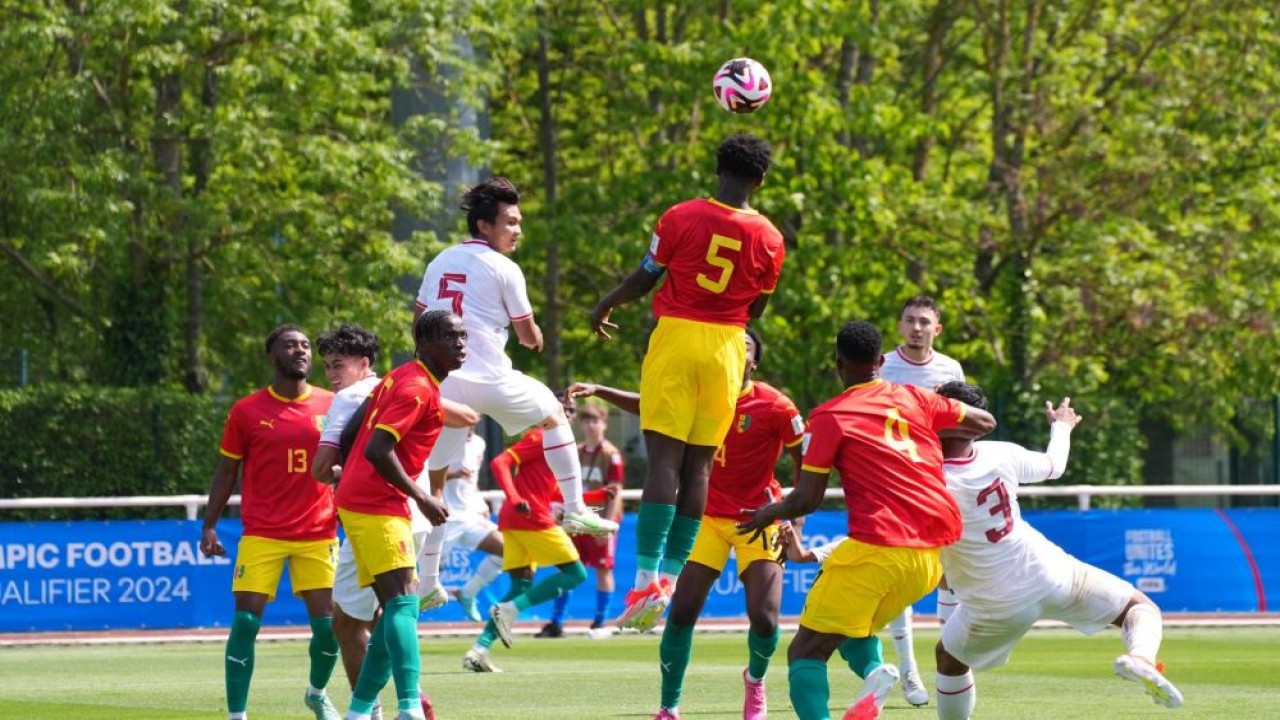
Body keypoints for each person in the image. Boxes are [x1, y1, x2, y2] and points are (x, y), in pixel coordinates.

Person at [738, 320, 996, 720]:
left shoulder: (830, 416)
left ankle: (872, 677)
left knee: (805, 651)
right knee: (849, 628)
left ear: (838, 364)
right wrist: (932, 435)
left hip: (879, 548)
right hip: (928, 560)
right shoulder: (916, 399)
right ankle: (876, 672)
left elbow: (807, 498)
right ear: (881, 360)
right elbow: (984, 421)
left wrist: (768, 512)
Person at [589, 133, 787, 630]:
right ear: (760, 180)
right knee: (698, 469)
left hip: (677, 338)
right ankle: (671, 581)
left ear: (717, 168)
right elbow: (758, 305)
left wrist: (607, 302)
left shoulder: (679, 216)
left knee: (663, 460)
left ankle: (645, 579)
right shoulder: (771, 238)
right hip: (727, 348)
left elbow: (646, 276)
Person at [571, 327, 804, 720]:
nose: (736, 351)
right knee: (681, 613)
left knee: (765, 619)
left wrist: (793, 520)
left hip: (758, 517)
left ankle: (755, 681)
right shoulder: (700, 392)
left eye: (744, 347)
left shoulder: (777, 406)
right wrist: (600, 389)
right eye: (731, 344)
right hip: (707, 518)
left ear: (754, 361)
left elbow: (807, 465)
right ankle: (669, 706)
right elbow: (651, 405)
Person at [931, 382, 1183, 719]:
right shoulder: (1000, 452)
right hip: (1049, 573)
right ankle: (1141, 658)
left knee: (949, 659)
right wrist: (1061, 425)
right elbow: (1054, 465)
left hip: (996, 603)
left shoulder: (925, 476)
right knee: (1139, 607)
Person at [414, 176, 617, 549]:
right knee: (554, 414)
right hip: (489, 378)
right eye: (510, 222)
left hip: (443, 384)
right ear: (483, 225)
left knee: (435, 481)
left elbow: (419, 321)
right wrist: (536, 337)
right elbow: (527, 337)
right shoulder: (503, 267)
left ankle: (427, 581)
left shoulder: (438, 261)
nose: (517, 230)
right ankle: (574, 508)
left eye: (519, 222)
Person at [312, 323, 476, 720]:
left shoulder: (400, 379)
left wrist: (345, 469)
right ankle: (409, 706)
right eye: (450, 337)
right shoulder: (415, 387)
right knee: (401, 605)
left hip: (368, 500)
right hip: (380, 501)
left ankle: (360, 710)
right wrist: (424, 496)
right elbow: (377, 448)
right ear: (424, 344)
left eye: (463, 337)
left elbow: (358, 436)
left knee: (382, 612)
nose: (460, 344)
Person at [199, 325, 340, 720]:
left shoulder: (335, 404)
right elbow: (227, 471)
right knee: (245, 622)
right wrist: (209, 525)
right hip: (262, 533)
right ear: (271, 355)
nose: (301, 350)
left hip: (319, 532)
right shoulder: (246, 411)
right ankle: (237, 716)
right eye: (291, 345)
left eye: (306, 345)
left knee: (329, 628)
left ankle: (316, 693)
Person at [462, 397, 614, 672]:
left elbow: (553, 492)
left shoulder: (558, 446)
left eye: (569, 411)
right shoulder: (540, 436)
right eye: (562, 409)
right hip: (531, 519)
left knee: (520, 586)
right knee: (576, 573)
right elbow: (500, 462)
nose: (567, 415)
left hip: (515, 519)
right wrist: (514, 495)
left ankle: (479, 651)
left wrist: (598, 495)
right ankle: (509, 610)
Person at [877, 295, 967, 707]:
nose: (917, 328)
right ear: (900, 325)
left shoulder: (950, 369)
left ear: (937, 328)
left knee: (949, 569)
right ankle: (909, 670)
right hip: (892, 481)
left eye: (924, 322)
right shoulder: (882, 366)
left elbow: (960, 421)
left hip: (937, 479)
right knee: (898, 577)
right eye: (910, 320)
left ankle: (951, 658)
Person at [537, 400, 626, 637]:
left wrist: (605, 524)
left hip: (598, 516)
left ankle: (599, 621)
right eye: (586, 421)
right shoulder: (574, 450)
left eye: (595, 421)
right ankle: (556, 621)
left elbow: (615, 491)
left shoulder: (611, 455)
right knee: (567, 568)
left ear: (605, 424)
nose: (590, 426)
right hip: (575, 518)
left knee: (603, 569)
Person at [444, 426, 506, 623]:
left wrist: (479, 502)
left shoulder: (479, 443)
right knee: (414, 580)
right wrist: (452, 474)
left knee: (507, 549)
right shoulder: (441, 439)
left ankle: (467, 593)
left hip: (469, 516)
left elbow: (472, 481)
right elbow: (421, 474)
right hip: (442, 518)